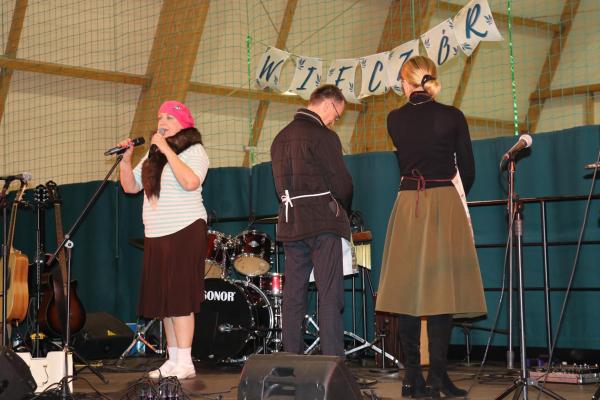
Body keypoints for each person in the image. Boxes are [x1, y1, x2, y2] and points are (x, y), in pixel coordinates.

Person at [375, 56, 487, 399]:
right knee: (443, 291)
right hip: (444, 201)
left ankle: (413, 379)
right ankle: (438, 376)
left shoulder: (394, 119)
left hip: (409, 204)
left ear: (406, 81)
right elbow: (468, 169)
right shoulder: (453, 116)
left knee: (408, 292)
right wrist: (449, 197)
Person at [118, 100, 209, 380]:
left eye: (169, 117)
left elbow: (190, 182)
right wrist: (126, 160)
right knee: (165, 302)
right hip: (156, 233)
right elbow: (130, 187)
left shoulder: (194, 150)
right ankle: (173, 359)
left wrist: (167, 149)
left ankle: (186, 361)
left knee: (179, 299)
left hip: (184, 228)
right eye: (160, 117)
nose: (162, 122)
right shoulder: (153, 154)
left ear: (184, 122)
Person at [271, 84, 353, 357]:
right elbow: (341, 183)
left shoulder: (279, 138)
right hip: (322, 223)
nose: (334, 121)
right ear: (329, 104)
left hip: (291, 222)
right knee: (329, 294)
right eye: (336, 115)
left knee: (293, 295)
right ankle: (332, 361)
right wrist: (344, 209)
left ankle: (291, 359)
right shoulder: (324, 137)